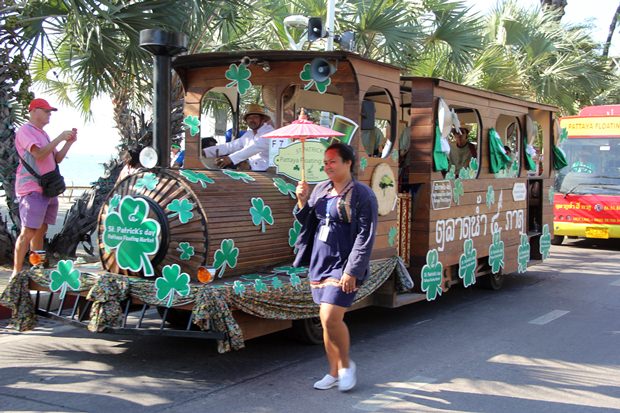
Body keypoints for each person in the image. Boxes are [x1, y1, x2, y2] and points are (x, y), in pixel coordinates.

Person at [294, 143, 378, 392]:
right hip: (320, 260)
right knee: (325, 320)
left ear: (348, 163)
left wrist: (352, 270)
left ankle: (345, 366)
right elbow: (306, 220)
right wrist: (302, 201)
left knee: (331, 316)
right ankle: (333, 372)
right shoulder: (321, 189)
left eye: (332, 161)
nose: (327, 166)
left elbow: (366, 236)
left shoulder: (363, 195)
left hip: (344, 263)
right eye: (325, 161)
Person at [12, 98, 77, 276]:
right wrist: (59, 138)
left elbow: (57, 159)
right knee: (28, 231)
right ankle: (16, 273)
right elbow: (39, 154)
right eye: (46, 111)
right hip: (31, 189)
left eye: (50, 112)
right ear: (33, 111)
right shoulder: (25, 131)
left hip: (47, 189)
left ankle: (37, 269)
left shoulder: (43, 134)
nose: (49, 114)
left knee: (41, 230)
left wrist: (68, 142)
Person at [203, 104, 274, 171]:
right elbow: (231, 146)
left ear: (262, 119)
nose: (251, 120)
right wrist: (205, 152)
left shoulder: (269, 132)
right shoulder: (249, 134)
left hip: (269, 172)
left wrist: (230, 159)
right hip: (254, 169)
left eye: (255, 117)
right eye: (249, 118)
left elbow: (254, 148)